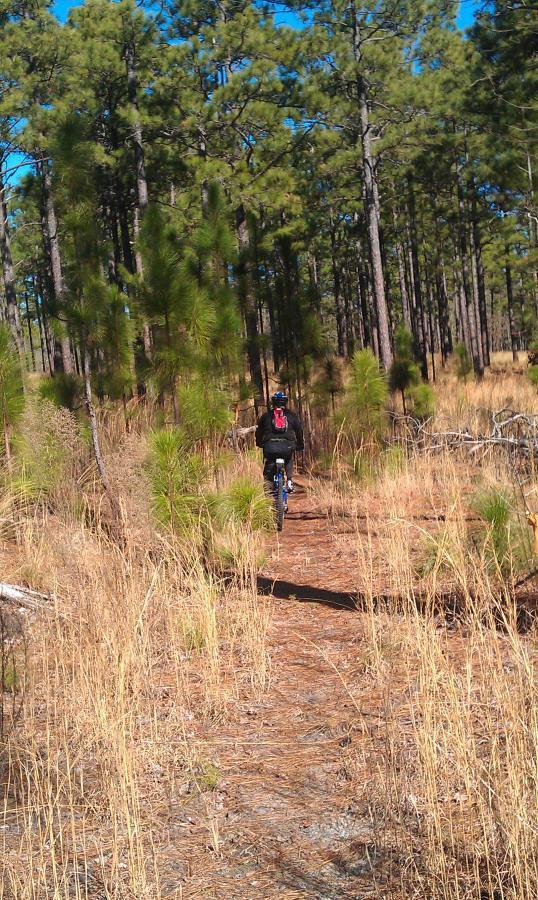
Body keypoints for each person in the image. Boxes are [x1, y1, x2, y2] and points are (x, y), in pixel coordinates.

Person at [255, 391, 304, 493]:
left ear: (273, 403)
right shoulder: (291, 415)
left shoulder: (266, 416)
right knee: (289, 458)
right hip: (288, 446)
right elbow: (299, 431)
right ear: (285, 402)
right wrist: (300, 445)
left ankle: (268, 491)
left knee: (269, 466)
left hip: (270, 447)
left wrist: (259, 443)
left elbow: (259, 432)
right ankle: (289, 480)